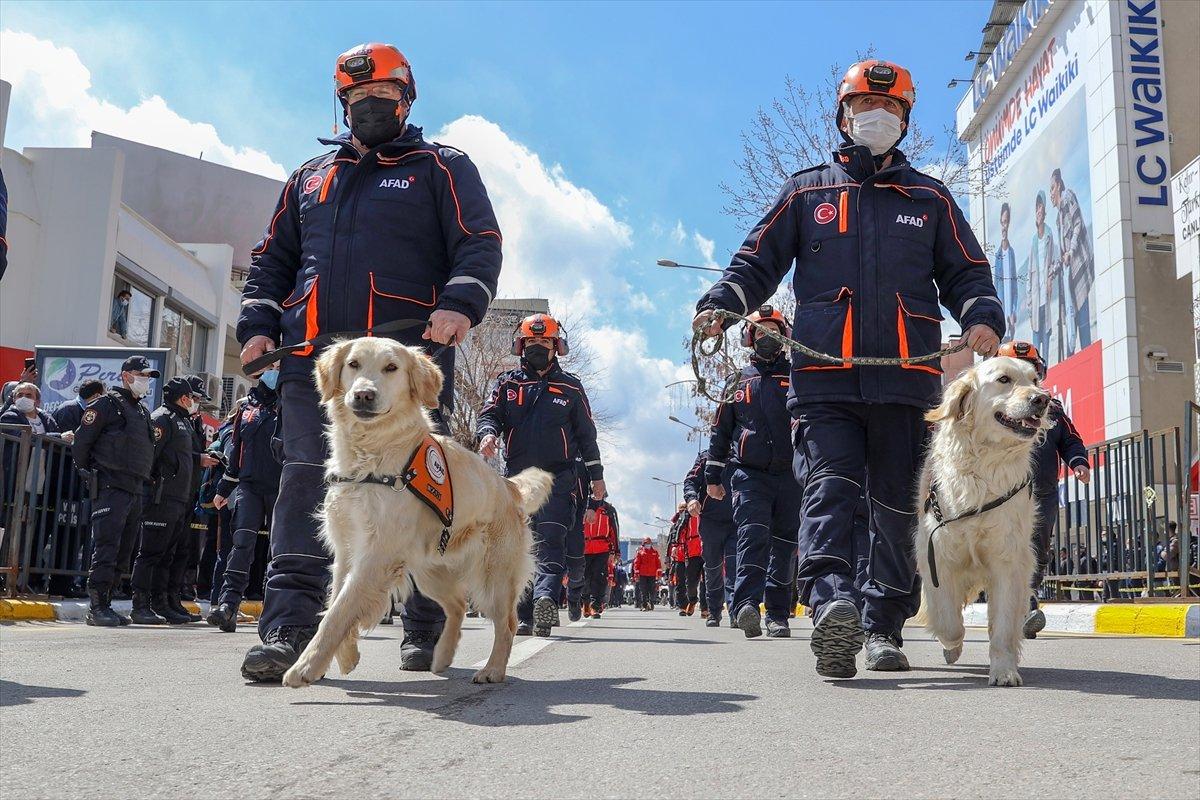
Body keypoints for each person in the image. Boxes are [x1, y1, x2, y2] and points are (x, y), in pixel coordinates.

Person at [693, 59, 1003, 676]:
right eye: (867, 106)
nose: (878, 117)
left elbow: (966, 271)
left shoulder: (930, 198)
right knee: (830, 489)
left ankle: (884, 625)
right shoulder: (807, 192)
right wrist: (722, 305)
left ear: (906, 120)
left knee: (894, 504)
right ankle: (834, 604)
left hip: (906, 381)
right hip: (823, 379)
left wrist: (980, 316)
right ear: (843, 115)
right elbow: (757, 261)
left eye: (890, 109)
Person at [235, 43, 502, 681]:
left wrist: (460, 305)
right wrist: (256, 325)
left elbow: (479, 242)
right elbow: (273, 260)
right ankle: (289, 632)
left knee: (420, 490)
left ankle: (425, 623)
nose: (365, 107)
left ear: (406, 99)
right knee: (305, 482)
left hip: (407, 359)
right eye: (354, 99)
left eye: (379, 96)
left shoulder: (441, 166)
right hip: (319, 366)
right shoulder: (310, 176)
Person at [478, 313, 606, 637]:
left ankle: (546, 599)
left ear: (556, 346)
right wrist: (488, 434)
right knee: (522, 545)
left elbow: (588, 438)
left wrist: (597, 478)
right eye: (532, 341)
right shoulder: (506, 384)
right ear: (521, 345)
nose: (538, 347)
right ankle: (525, 614)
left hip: (558, 480)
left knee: (551, 541)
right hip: (517, 482)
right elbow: (489, 415)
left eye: (544, 342)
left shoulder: (571, 387)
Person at [704, 305, 801, 639]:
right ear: (750, 337)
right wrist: (713, 477)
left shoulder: (798, 376)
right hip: (749, 475)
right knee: (752, 536)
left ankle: (777, 614)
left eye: (773, 331)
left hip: (792, 477)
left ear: (784, 337)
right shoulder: (738, 380)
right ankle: (745, 606)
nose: (767, 337)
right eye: (761, 332)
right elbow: (720, 430)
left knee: (785, 547)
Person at [995, 342, 1090, 635]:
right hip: (1000, 495)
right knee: (1001, 550)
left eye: (1032, 370)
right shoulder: (991, 408)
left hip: (1042, 493)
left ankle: (1028, 602)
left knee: (1036, 548)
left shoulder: (1053, 409)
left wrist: (1078, 462)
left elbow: (1071, 440)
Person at [71, 356, 159, 627]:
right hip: (110, 485)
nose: (144, 380)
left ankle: (107, 602)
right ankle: (96, 607)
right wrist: (93, 473)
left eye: (147, 376)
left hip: (134, 487)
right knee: (107, 547)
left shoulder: (142, 411)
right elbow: (81, 444)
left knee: (124, 550)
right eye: (140, 374)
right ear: (125, 376)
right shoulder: (106, 405)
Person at [129, 377, 214, 625]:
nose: (194, 402)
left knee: (170, 553)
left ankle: (164, 602)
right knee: (151, 553)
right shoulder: (162, 418)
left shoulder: (184, 421)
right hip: (161, 497)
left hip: (181, 498)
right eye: (191, 397)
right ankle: (140, 604)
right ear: (182, 397)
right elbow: (151, 457)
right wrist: (155, 486)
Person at [207, 370, 282, 632]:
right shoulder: (247, 409)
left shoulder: (293, 404)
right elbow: (237, 449)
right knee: (241, 545)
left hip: (282, 487)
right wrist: (223, 488)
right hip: (249, 486)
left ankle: (275, 611)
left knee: (278, 551)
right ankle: (228, 605)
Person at [684, 449, 738, 628]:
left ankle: (735, 611)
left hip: (737, 521)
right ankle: (714, 611)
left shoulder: (744, 454)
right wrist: (692, 499)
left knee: (735, 566)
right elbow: (691, 481)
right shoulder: (706, 457)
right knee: (713, 568)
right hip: (710, 522)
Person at [1050, 168, 1093, 353]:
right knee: (1071, 318)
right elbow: (1062, 250)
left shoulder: (1068, 196)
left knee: (1081, 317)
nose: (1051, 194)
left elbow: (1077, 224)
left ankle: (1087, 353)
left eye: (1052, 188)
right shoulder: (1058, 217)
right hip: (1069, 274)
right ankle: (1078, 359)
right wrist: (1056, 266)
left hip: (1079, 265)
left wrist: (1071, 251)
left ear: (1059, 185)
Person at [1028, 191, 1057, 359]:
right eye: (1037, 208)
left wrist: (1050, 278)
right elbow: (1030, 273)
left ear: (1045, 212)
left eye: (1041, 208)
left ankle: (1046, 366)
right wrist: (1029, 299)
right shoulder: (1033, 240)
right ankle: (1036, 367)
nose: (1039, 211)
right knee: (1035, 332)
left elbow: (1053, 261)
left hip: (1046, 295)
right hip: (1035, 296)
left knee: (1046, 331)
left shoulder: (1049, 235)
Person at [581, 497, 619, 618]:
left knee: (600, 577)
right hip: (583, 548)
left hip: (602, 548)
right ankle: (585, 603)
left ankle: (596, 606)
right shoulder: (581, 506)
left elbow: (614, 530)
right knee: (584, 578)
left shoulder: (608, 509)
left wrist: (615, 551)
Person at [993, 203, 1018, 338]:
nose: (1004, 226)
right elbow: (995, 288)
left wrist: (1014, 311)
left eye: (1006, 222)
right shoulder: (997, 257)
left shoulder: (1012, 253)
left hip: (1011, 318)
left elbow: (1015, 286)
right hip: (1001, 318)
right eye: (1002, 222)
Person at [674, 503, 703, 616]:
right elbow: (678, 531)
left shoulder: (708, 510)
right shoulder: (685, 517)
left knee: (709, 580)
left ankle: (707, 609)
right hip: (692, 552)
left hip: (708, 549)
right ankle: (692, 600)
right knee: (691, 582)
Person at [632, 538, 661, 611]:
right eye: (646, 544)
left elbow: (658, 564)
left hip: (652, 575)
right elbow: (636, 564)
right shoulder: (640, 553)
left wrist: (659, 574)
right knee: (643, 591)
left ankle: (651, 603)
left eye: (649, 543)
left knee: (652, 590)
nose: (648, 545)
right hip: (643, 575)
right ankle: (644, 605)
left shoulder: (655, 552)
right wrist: (636, 574)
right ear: (643, 544)